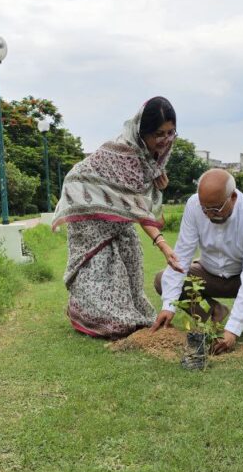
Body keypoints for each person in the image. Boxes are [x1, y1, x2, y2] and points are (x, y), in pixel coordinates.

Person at [52, 97, 183, 338]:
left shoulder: (157, 149)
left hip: (116, 209)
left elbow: (143, 190)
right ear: (143, 133)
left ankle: (128, 311)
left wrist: (156, 185)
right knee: (100, 264)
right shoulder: (127, 154)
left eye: (170, 132)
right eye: (159, 134)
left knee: (130, 253)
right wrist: (164, 245)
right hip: (87, 204)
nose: (165, 140)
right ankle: (89, 317)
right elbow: (139, 207)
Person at [152, 168, 243, 353]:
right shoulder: (194, 205)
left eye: (215, 208)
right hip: (209, 273)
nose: (208, 214)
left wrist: (233, 330)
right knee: (161, 279)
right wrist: (168, 307)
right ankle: (214, 312)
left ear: (233, 198)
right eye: (204, 208)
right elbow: (182, 255)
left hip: (242, 276)